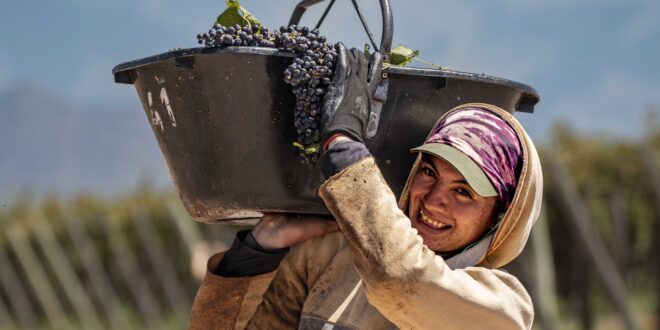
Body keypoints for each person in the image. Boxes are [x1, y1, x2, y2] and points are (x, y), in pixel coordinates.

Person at [188, 44, 543, 330]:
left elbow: (402, 280)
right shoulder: (330, 262)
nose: (434, 201)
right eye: (429, 173)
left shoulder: (501, 309)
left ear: (502, 218)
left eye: (463, 191)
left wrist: (343, 147)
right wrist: (257, 250)